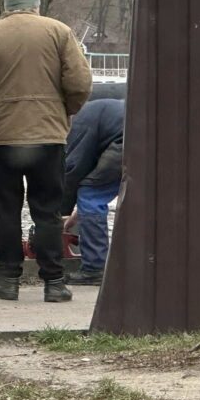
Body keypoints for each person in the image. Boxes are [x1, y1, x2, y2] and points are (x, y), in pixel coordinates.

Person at [0, 0, 92, 303]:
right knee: (46, 211)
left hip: (2, 140)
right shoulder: (59, 33)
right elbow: (80, 83)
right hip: (47, 139)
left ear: (6, 6)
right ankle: (54, 282)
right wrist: (63, 112)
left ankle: (7, 279)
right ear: (36, 4)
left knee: (6, 210)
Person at [60, 98, 124, 285]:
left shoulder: (77, 122)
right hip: (147, 140)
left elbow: (73, 169)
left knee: (90, 195)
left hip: (125, 143)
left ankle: (94, 268)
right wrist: (78, 213)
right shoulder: (92, 110)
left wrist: (61, 214)